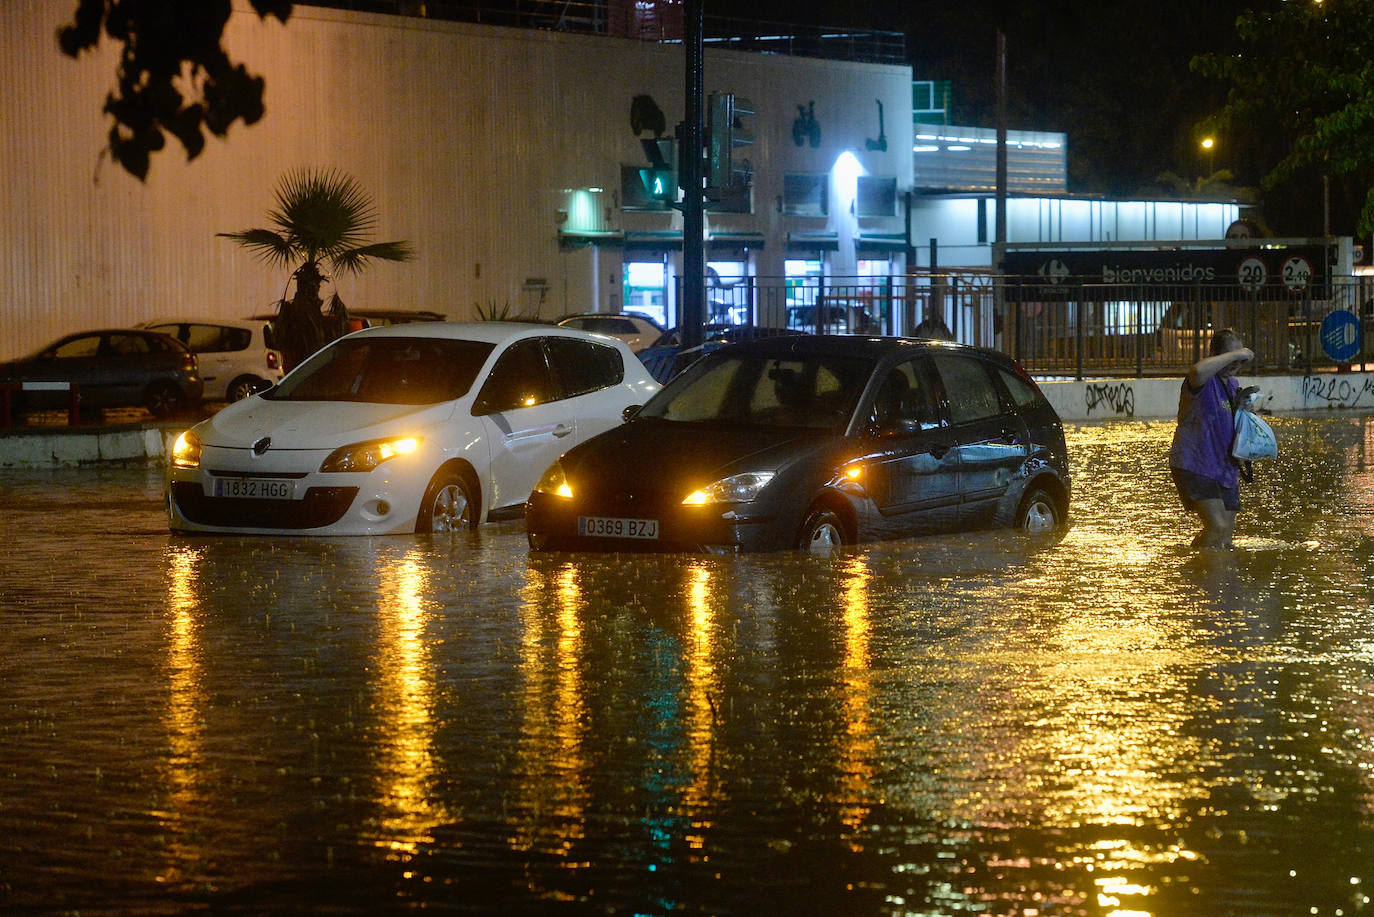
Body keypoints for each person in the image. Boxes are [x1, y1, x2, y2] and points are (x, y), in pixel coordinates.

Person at [1169, 328, 1255, 550]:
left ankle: (1200, 563)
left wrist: (1246, 410)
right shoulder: (1202, 379)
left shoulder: (1232, 385)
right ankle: (1196, 564)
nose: (1236, 363)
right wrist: (1239, 353)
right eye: (1231, 356)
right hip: (1196, 463)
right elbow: (1197, 371)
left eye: (1240, 359)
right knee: (1216, 527)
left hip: (1224, 468)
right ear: (1216, 355)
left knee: (1225, 538)